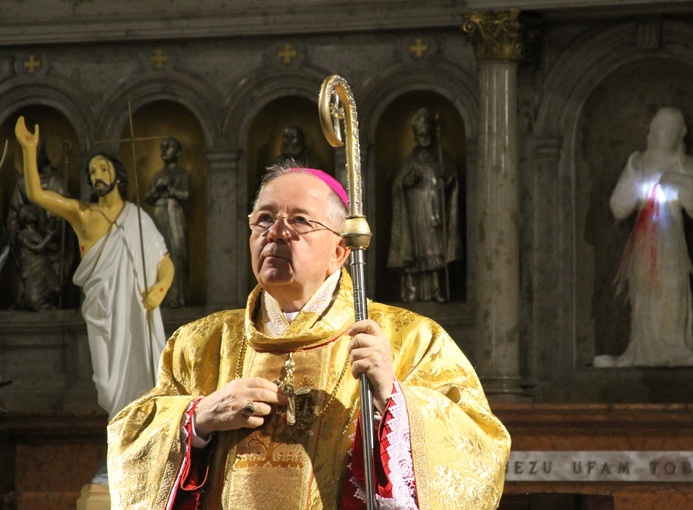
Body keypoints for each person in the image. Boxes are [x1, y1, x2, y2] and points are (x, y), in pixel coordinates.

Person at [107, 164, 511, 509]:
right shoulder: (198, 344)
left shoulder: (409, 339)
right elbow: (132, 440)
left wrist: (394, 400)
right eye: (263, 219)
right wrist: (198, 419)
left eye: (299, 220)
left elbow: (480, 447)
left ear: (340, 250)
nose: (276, 232)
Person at [14, 117, 175, 482]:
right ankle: (119, 456)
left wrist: (159, 289)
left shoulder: (138, 220)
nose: (97, 174)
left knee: (140, 383)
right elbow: (38, 195)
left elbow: (165, 264)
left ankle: (131, 459)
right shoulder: (82, 214)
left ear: (116, 174)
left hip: (137, 313)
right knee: (106, 385)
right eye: (92, 170)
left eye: (103, 168)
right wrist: (28, 150)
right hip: (102, 315)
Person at [593, 107, 693, 368]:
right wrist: (633, 180)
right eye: (663, 128)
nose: (667, 134)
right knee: (646, 291)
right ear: (652, 131)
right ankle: (641, 352)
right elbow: (619, 205)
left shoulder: (687, 164)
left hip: (672, 239)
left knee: (674, 286)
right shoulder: (638, 162)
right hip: (645, 240)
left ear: (680, 135)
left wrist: (681, 182)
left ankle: (680, 350)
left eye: (674, 130)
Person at [388, 108, 462, 303]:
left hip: (435, 212)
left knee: (435, 249)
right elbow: (396, 185)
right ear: (415, 135)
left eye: (427, 134)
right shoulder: (409, 161)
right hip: (414, 212)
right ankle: (411, 290)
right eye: (420, 134)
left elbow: (452, 182)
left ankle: (438, 289)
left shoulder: (441, 159)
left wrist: (448, 178)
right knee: (414, 249)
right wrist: (404, 183)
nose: (425, 138)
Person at [6, 140, 74, 310]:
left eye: (35, 154)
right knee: (33, 293)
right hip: (30, 247)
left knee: (53, 287)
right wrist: (17, 225)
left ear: (43, 155)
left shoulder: (56, 181)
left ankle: (47, 300)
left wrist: (52, 231)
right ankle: (30, 298)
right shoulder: (22, 182)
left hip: (52, 246)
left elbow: (66, 214)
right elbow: (13, 215)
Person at [145, 136, 191, 308]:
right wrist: (158, 187)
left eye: (169, 147)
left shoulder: (181, 174)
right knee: (156, 254)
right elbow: (148, 197)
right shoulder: (157, 175)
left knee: (176, 253)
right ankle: (157, 296)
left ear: (178, 152)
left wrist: (169, 188)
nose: (164, 150)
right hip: (158, 213)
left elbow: (185, 195)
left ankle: (176, 297)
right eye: (162, 147)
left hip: (173, 213)